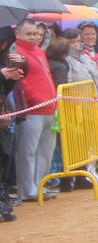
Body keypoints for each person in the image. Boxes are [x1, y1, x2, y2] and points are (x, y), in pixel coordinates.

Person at [8, 19, 57, 202]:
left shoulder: (38, 52)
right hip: (32, 108)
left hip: (48, 107)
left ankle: (39, 186)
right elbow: (20, 81)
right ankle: (28, 189)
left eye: (36, 33)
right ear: (18, 34)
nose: (34, 37)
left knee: (45, 151)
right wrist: (34, 99)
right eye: (29, 34)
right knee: (28, 152)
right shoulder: (16, 52)